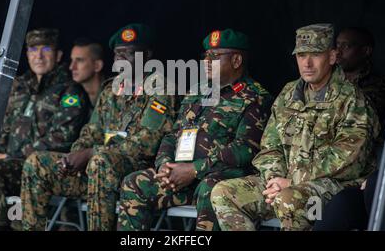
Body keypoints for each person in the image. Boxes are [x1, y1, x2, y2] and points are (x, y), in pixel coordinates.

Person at [210, 23, 379, 231]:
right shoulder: (289, 93)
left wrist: (292, 181)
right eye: (301, 55)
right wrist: (273, 178)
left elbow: (349, 160)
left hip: (333, 191)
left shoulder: (353, 100)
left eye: (315, 55)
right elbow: (270, 145)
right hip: (283, 183)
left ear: (332, 57)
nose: (307, 63)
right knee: (224, 192)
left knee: (289, 200)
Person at [21, 23, 178, 231]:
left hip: (135, 174)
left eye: (129, 54)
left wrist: (90, 153)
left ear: (147, 56)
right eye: (117, 55)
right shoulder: (111, 90)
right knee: (36, 162)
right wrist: (76, 155)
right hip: (97, 171)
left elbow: (146, 145)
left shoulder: (160, 89)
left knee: (100, 161)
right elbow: (91, 132)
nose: (121, 61)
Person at [117, 29, 272, 231]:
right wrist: (165, 165)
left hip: (216, 177)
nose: (207, 61)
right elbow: (173, 135)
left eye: (215, 56)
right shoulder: (197, 91)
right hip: (181, 178)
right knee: (134, 182)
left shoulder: (255, 97)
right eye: (205, 56)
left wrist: (194, 170)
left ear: (236, 61)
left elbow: (244, 150)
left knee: (213, 188)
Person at [0, 28, 90, 230]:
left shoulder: (70, 91)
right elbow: (3, 131)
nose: (38, 55)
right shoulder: (19, 87)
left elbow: (62, 138)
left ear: (58, 55)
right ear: (27, 54)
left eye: (46, 49)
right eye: (33, 49)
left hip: (42, 169)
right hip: (8, 163)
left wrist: (9, 155)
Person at [313, 27, 385, 231]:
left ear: (366, 51)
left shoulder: (376, 86)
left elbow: (355, 123)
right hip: (317, 165)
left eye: (346, 46)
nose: (338, 52)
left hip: (357, 166)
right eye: (336, 46)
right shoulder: (323, 83)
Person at [69, 38, 105, 108]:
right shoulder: (72, 92)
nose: (71, 67)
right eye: (72, 60)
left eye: (79, 60)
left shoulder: (114, 94)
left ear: (97, 66)